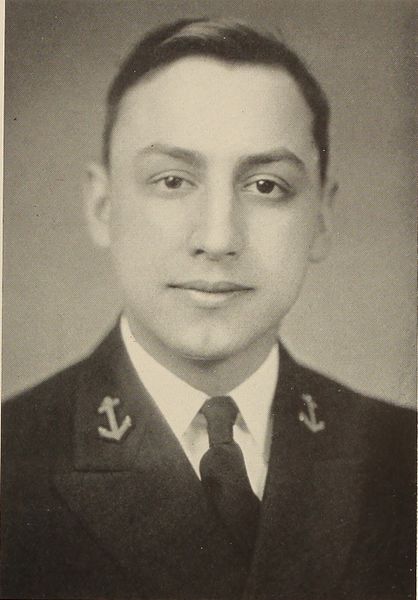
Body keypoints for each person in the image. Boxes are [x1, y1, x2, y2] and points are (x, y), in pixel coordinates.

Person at [1, 18, 415, 600]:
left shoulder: (401, 454)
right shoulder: (11, 458)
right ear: (102, 206)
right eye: (172, 180)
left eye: (266, 186)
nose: (218, 238)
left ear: (322, 216)